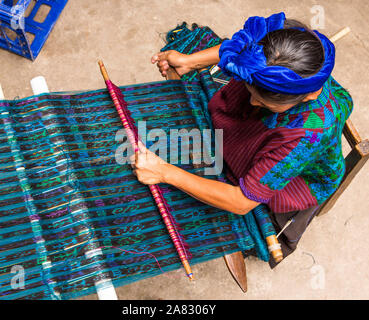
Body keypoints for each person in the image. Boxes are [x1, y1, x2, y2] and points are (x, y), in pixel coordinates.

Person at [131, 12, 353, 264]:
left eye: (261, 100)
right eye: (250, 91)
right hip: (282, 126)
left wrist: (163, 172)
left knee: (246, 181)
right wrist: (189, 61)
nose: (251, 101)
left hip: (302, 177)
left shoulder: (307, 134)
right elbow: (241, 50)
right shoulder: (294, 47)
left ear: (306, 97)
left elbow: (240, 202)